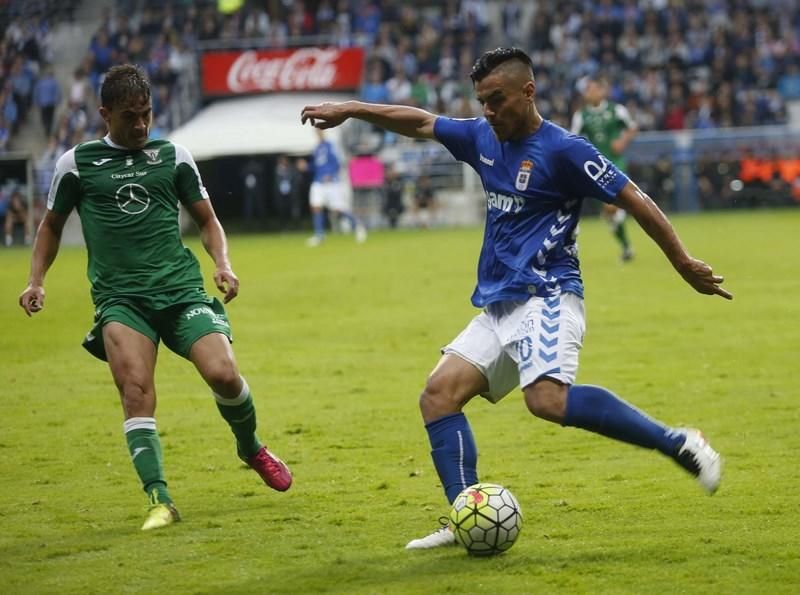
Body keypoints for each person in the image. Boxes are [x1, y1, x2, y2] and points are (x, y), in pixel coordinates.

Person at [300, 47, 732, 550]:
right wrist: (352, 108)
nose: (487, 111)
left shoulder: (565, 151)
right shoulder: (482, 136)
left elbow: (631, 196)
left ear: (528, 92)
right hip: (501, 303)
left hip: (547, 294)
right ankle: (466, 516)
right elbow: (420, 123)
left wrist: (681, 261)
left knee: (546, 400)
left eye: (496, 99)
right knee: (439, 397)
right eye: (481, 101)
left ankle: (678, 442)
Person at [18, 64, 292, 532]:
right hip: (122, 300)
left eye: (146, 113)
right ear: (105, 114)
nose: (141, 124)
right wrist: (36, 279)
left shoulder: (174, 155)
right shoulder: (76, 163)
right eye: (130, 116)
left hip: (181, 290)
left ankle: (250, 447)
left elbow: (207, 220)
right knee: (136, 391)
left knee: (224, 374)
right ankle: (159, 499)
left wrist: (222, 263)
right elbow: (52, 226)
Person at [570, 74, 638, 262]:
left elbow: (632, 127)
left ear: (602, 90)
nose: (589, 93)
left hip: (616, 162)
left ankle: (620, 222)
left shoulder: (616, 110)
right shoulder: (581, 115)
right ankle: (626, 247)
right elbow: (573, 140)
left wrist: (622, 141)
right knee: (609, 213)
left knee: (611, 207)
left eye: (593, 89)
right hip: (595, 168)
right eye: (587, 90)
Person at [306, 128, 367, 246]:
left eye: (320, 131)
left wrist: (331, 174)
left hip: (331, 183)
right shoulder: (317, 148)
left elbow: (338, 163)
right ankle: (319, 235)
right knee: (316, 207)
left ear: (324, 132)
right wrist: (307, 167)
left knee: (338, 209)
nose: (318, 133)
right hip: (318, 181)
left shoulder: (330, 146)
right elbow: (316, 166)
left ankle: (358, 226)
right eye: (316, 132)